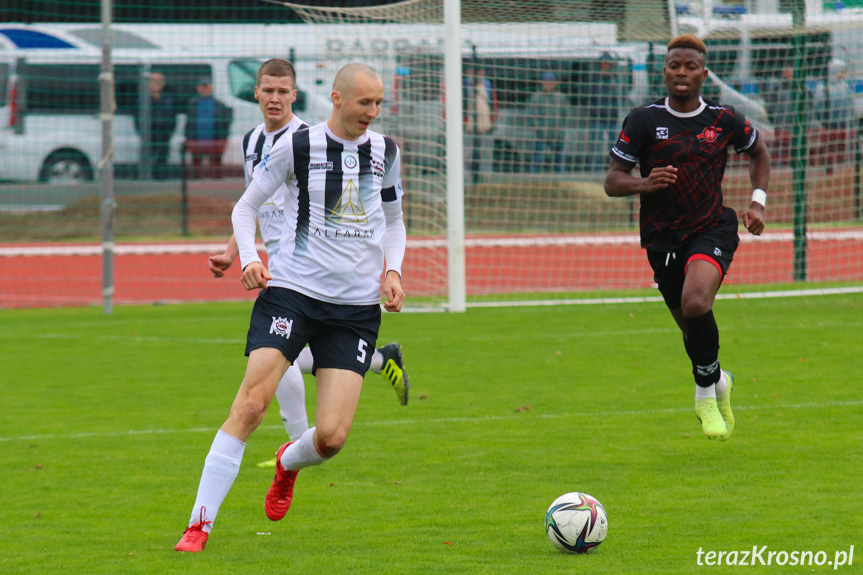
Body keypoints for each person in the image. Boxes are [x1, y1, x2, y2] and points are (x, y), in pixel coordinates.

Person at [175, 62, 407, 552]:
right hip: (293, 293)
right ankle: (199, 525)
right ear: (338, 100)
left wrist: (393, 271)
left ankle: (286, 463)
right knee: (250, 405)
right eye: (365, 102)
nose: (374, 111)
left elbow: (394, 220)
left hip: (355, 309)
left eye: (379, 102)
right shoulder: (296, 146)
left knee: (331, 439)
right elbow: (246, 206)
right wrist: (249, 257)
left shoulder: (386, 151)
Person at [603, 35, 770, 440]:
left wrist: (758, 203)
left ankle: (703, 397)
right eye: (674, 64)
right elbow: (612, 181)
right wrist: (645, 184)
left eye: (690, 66)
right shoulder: (642, 120)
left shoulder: (724, 119)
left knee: (696, 303)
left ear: (703, 73)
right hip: (662, 239)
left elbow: (759, 152)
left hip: (712, 227)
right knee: (691, 328)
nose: (682, 72)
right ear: (664, 70)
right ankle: (720, 382)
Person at [184, 76, 233, 179]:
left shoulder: (219, 104)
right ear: (198, 88)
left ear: (211, 88)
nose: (205, 89)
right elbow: (188, 123)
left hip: (214, 138)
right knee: (196, 162)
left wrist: (223, 137)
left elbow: (225, 123)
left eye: (207, 86)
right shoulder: (192, 104)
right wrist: (188, 137)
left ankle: (217, 184)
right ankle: (195, 184)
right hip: (196, 138)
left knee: (216, 162)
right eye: (202, 86)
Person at [813, 59, 854, 171]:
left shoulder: (844, 86)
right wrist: (819, 121)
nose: (843, 74)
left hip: (841, 123)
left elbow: (849, 104)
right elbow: (817, 105)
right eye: (841, 71)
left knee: (840, 147)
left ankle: (840, 170)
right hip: (827, 124)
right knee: (828, 148)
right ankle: (828, 169)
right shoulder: (823, 87)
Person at [134, 71, 177, 178]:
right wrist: (141, 131)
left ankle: (161, 179)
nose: (156, 84)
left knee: (163, 157)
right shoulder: (142, 98)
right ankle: (147, 177)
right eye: (153, 81)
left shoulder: (168, 98)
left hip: (164, 132)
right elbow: (136, 116)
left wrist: (171, 131)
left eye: (159, 81)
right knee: (148, 155)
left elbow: (173, 116)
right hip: (148, 132)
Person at [462, 64, 498, 182]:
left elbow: (494, 103)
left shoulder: (487, 85)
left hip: (486, 126)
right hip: (468, 127)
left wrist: (492, 120)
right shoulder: (463, 85)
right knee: (466, 155)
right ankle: (466, 180)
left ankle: (485, 180)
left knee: (485, 155)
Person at [528, 71, 568, 173]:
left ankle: (561, 181)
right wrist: (539, 129)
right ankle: (533, 180)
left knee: (559, 161)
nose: (549, 84)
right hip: (542, 134)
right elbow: (532, 116)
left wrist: (560, 129)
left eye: (551, 81)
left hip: (557, 135)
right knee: (538, 159)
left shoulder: (560, 97)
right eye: (546, 81)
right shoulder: (536, 97)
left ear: (555, 83)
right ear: (542, 83)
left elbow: (566, 114)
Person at [588, 52, 622, 171]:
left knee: (614, 146)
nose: (606, 66)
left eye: (609, 64)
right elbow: (586, 94)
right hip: (596, 116)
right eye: (604, 64)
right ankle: (595, 171)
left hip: (612, 116)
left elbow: (622, 94)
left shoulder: (616, 78)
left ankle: (613, 170)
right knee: (596, 145)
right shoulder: (593, 78)